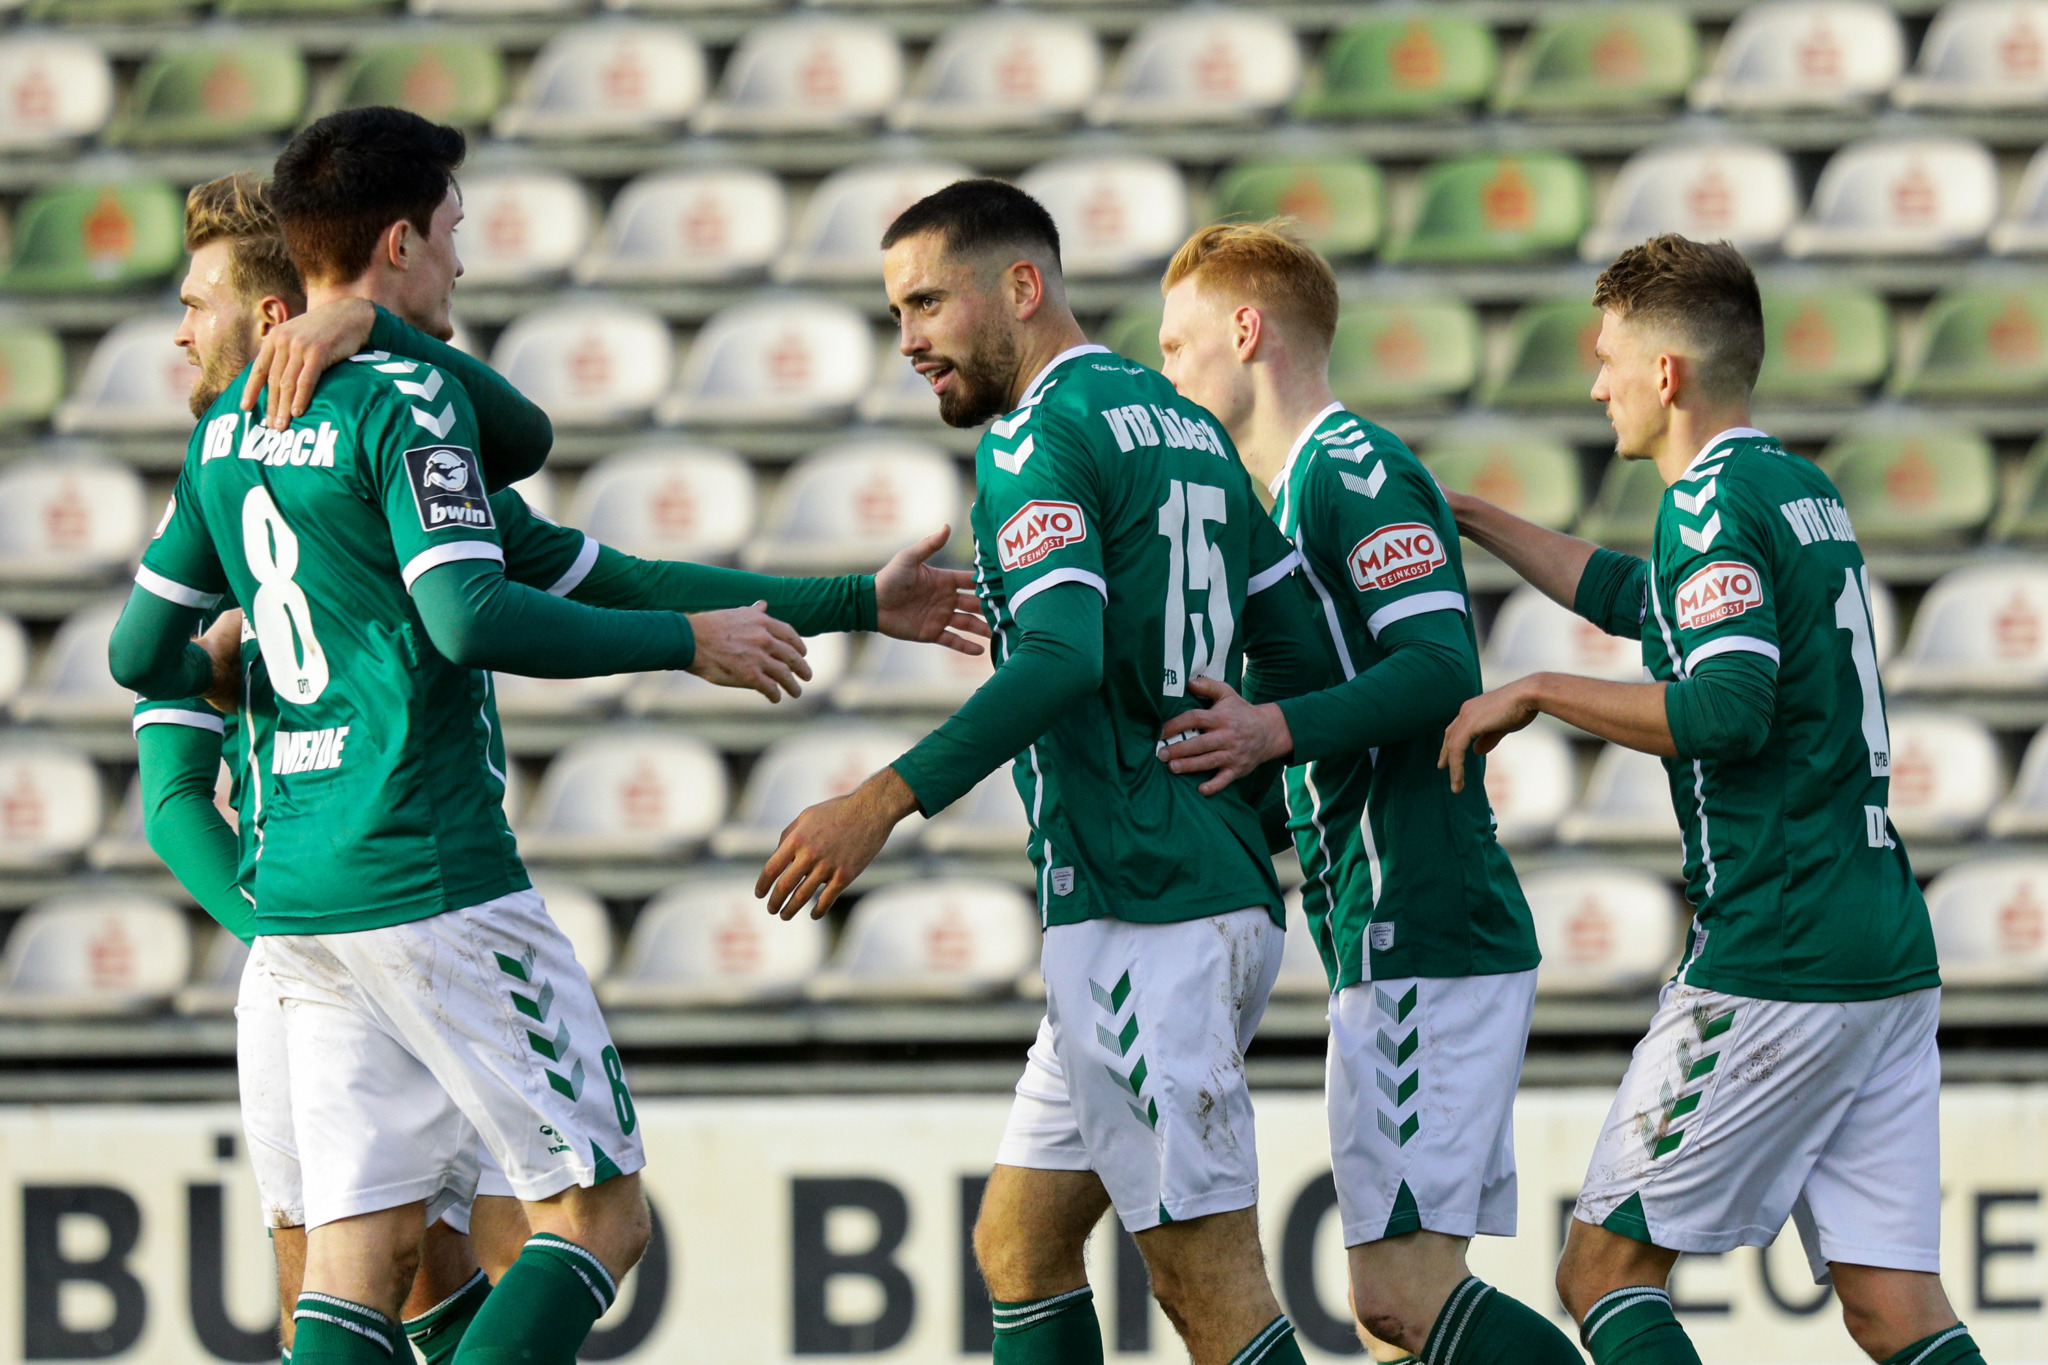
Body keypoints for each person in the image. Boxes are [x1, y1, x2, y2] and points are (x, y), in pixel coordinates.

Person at [108, 106, 927, 1365]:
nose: (462, 255)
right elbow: (470, 613)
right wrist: (684, 646)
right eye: (450, 229)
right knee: (596, 1219)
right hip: (423, 869)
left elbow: (138, 658)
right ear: (398, 242)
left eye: (193, 304)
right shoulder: (403, 402)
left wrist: (856, 600)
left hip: (306, 901)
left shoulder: (221, 444)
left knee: (360, 1263)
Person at [757, 178, 1332, 1365]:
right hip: (1191, 892)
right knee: (1018, 1246)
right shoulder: (1184, 425)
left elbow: (1061, 657)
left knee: (1209, 1293)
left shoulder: (1034, 435)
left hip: (1141, 913)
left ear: (1021, 286)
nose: (907, 339)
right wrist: (1242, 798)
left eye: (927, 303)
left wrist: (879, 800)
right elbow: (1301, 657)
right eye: (894, 312)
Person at [1438, 234, 1984, 1365]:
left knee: (1601, 1273)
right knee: (1893, 1306)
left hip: (1776, 948)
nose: (1595, 386)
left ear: (1665, 373)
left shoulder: (1704, 504)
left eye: (1606, 360)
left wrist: (1538, 689)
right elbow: (1642, 598)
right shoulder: (1796, 488)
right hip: (1881, 940)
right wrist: (1473, 516)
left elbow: (1728, 708)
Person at [1141, 221, 1581, 1364]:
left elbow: (1438, 670)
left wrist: (1269, 728)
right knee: (1400, 1321)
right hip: (1377, 927)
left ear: (1246, 331)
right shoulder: (1285, 493)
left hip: (1425, 919)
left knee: (1396, 1300)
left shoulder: (1352, 468)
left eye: (1177, 344)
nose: (1166, 372)